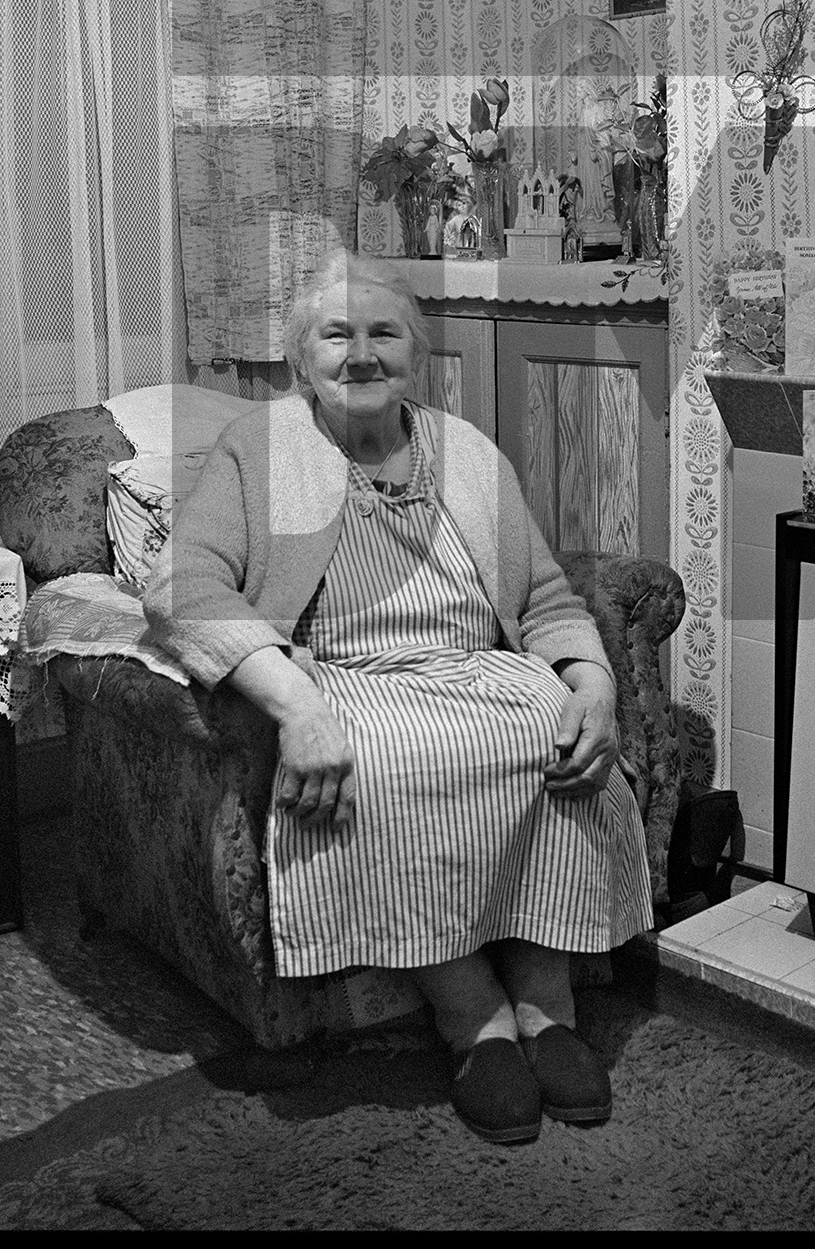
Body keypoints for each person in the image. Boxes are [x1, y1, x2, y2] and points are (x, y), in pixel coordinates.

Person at [143, 252, 653, 1144]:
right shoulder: (261, 451)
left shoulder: (464, 451)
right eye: (338, 336)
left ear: (414, 355)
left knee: (563, 744)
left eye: (384, 334)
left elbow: (544, 599)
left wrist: (594, 683)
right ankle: (475, 1020)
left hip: (476, 670)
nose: (363, 355)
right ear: (304, 360)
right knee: (395, 761)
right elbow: (182, 587)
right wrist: (298, 708)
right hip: (349, 677)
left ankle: (547, 1001)